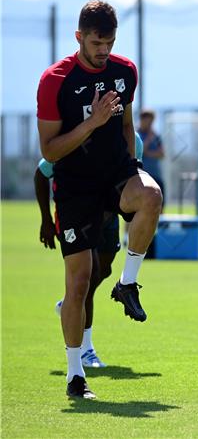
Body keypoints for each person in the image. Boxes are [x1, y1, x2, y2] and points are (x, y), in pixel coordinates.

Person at [36, 0, 163, 399]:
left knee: (152, 196)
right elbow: (50, 151)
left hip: (114, 177)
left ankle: (128, 284)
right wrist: (92, 121)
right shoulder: (55, 80)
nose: (103, 50)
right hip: (74, 188)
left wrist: (134, 167)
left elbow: (126, 125)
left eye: (109, 42)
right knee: (79, 284)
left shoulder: (125, 72)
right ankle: (76, 375)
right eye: (95, 43)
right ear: (79, 38)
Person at [36, 134, 144, 369]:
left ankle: (70, 306)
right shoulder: (81, 134)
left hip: (109, 217)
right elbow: (41, 173)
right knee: (88, 277)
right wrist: (45, 219)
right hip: (78, 214)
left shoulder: (135, 141)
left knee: (103, 271)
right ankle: (85, 350)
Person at [137, 109, 165, 209]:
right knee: (137, 209)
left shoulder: (156, 136)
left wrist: (148, 153)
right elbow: (140, 150)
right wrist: (148, 139)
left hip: (156, 175)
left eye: (151, 121)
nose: (149, 124)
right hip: (141, 177)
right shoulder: (136, 135)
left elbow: (161, 154)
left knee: (159, 206)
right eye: (147, 121)